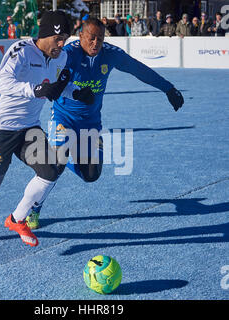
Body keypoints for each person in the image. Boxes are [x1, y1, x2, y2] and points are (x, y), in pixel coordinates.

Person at [0, 11, 91, 246]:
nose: (62, 44)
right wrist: (35, 90)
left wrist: (76, 92)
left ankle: (17, 219)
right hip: (0, 128)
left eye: (65, 39)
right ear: (45, 34)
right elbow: (2, 82)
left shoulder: (60, 58)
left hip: (29, 128)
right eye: (58, 38)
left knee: (50, 171)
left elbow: (56, 87)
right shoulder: (21, 49)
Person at [25, 17, 184, 230]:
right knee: (55, 166)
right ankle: (35, 208)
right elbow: (49, 79)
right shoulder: (67, 54)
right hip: (64, 118)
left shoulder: (111, 54)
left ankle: (68, 157)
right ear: (80, 36)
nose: (95, 43)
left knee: (91, 175)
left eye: (100, 38)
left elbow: (139, 69)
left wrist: (168, 88)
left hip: (91, 123)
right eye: (91, 38)